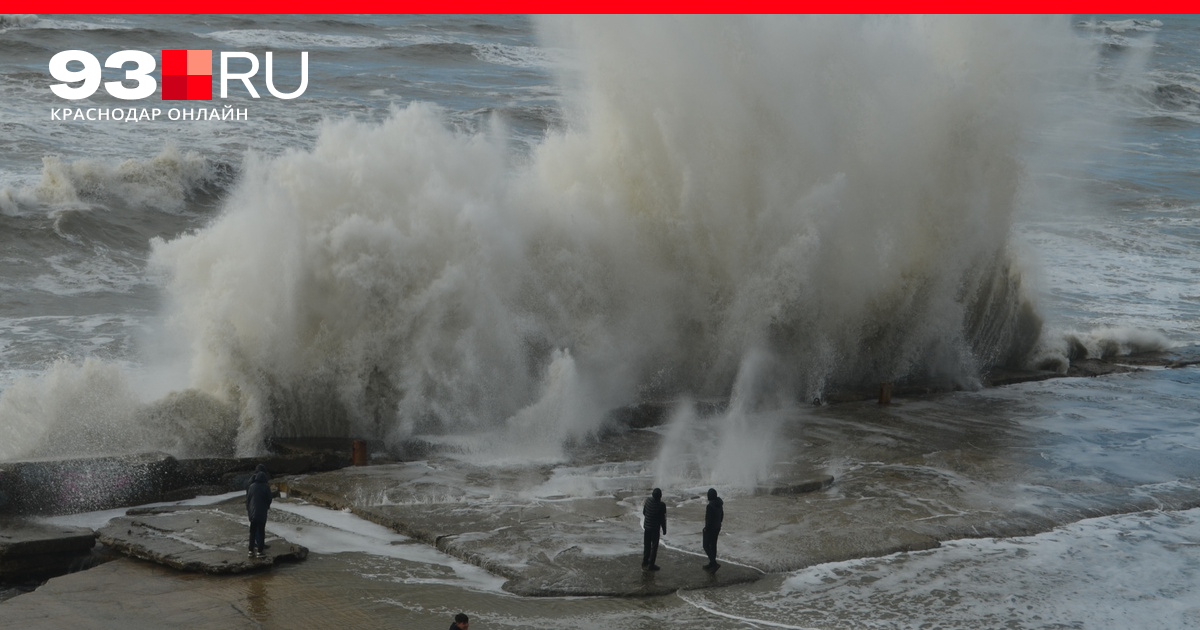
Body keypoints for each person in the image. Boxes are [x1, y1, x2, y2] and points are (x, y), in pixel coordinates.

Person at [245, 469, 272, 558]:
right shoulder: (266, 487)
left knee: (252, 532)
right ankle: (260, 551)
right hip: (261, 513)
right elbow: (269, 499)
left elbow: (248, 500)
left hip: (252, 513)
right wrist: (267, 506)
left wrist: (249, 510)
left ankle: (250, 551)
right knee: (261, 532)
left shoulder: (252, 486)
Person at [642, 487, 667, 571]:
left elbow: (644, 512)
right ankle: (651, 565)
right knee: (654, 547)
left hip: (646, 527)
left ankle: (645, 561)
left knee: (647, 545)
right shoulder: (661, 505)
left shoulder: (648, 500)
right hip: (655, 529)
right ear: (660, 496)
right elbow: (662, 519)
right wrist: (664, 529)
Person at [702, 487, 724, 571]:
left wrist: (706, 528)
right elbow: (722, 515)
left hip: (711, 528)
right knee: (713, 545)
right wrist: (719, 523)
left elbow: (708, 519)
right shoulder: (719, 504)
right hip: (717, 527)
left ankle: (714, 563)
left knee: (706, 545)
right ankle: (712, 563)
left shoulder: (710, 506)